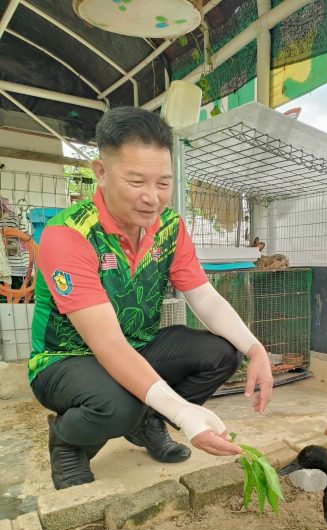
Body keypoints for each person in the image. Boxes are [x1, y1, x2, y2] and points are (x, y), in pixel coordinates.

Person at [28, 106, 273, 490]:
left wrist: (255, 349)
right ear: (101, 172)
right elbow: (106, 345)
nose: (152, 198)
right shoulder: (69, 235)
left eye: (163, 183)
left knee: (222, 353)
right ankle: (68, 440)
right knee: (118, 405)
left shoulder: (169, 228)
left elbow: (203, 297)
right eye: (136, 181)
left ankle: (147, 423)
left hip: (136, 345)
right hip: (66, 359)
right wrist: (185, 415)